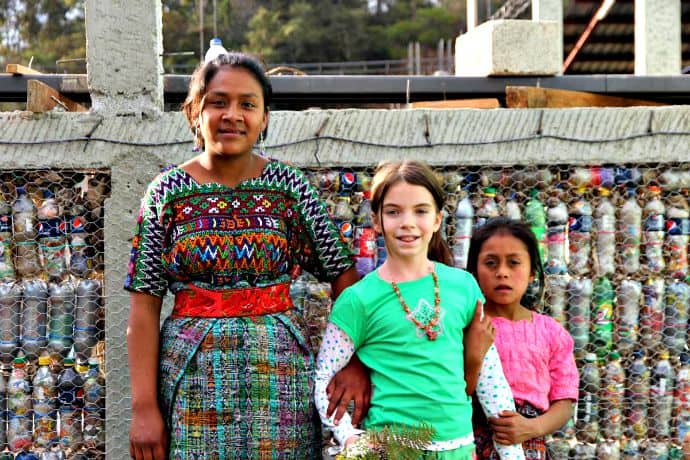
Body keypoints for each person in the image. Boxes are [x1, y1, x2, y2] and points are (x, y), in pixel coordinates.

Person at [124, 51, 365, 459]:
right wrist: (143, 406)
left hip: (282, 376)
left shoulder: (290, 188)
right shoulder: (166, 194)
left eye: (247, 104)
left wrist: (352, 362)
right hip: (193, 377)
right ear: (194, 112)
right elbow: (144, 310)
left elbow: (344, 278)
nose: (232, 114)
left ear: (265, 117)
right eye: (218, 102)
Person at [314, 160, 524, 459]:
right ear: (376, 220)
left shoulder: (463, 286)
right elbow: (324, 377)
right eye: (393, 211)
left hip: (458, 450)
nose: (407, 222)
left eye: (421, 211)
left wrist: (513, 454)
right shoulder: (358, 300)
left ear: (438, 219)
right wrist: (348, 438)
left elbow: (490, 376)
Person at [466, 217, 579, 460]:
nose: (502, 273)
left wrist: (532, 427)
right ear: (474, 272)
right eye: (491, 263)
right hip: (472, 441)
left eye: (514, 263)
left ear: (531, 274)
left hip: (529, 443)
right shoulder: (468, 327)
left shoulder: (551, 333)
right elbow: (457, 387)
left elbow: (565, 401)